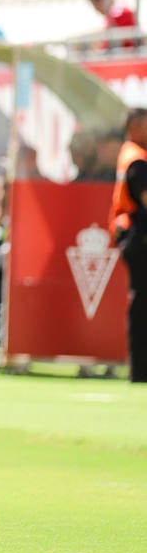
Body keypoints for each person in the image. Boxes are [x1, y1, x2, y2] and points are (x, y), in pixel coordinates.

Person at [110, 108, 147, 384]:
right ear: (135, 126)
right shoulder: (137, 159)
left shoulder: (130, 154)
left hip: (131, 236)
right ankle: (140, 371)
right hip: (139, 238)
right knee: (142, 305)